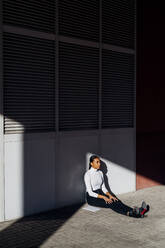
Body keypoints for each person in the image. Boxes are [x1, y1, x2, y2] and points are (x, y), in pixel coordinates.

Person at [84, 155, 150, 218]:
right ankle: (131, 214)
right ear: (91, 163)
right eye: (97, 162)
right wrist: (104, 197)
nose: (99, 164)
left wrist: (110, 195)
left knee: (115, 199)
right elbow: (90, 192)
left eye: (99, 162)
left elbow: (103, 188)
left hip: (100, 193)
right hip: (92, 198)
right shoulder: (87, 175)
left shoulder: (100, 173)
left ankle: (136, 211)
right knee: (110, 203)